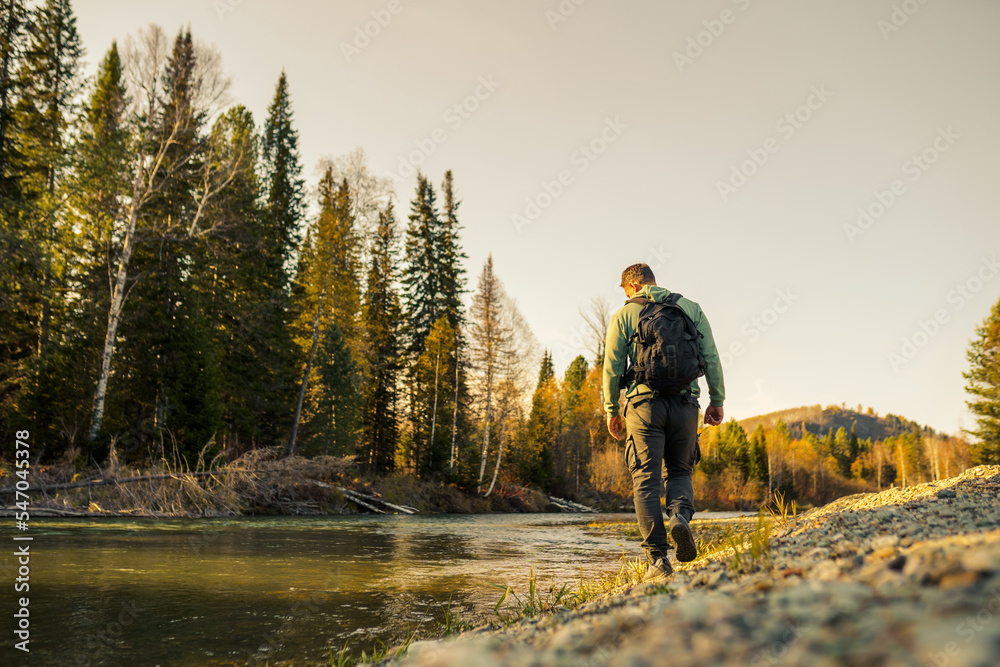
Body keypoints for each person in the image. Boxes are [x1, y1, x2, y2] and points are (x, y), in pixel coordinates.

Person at [603, 263, 725, 583]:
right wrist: (717, 400)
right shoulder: (689, 308)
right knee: (680, 471)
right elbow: (710, 357)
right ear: (654, 281)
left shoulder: (626, 314)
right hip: (686, 404)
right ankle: (680, 517)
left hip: (644, 405)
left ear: (631, 287)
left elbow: (612, 366)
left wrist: (611, 410)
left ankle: (657, 559)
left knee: (646, 478)